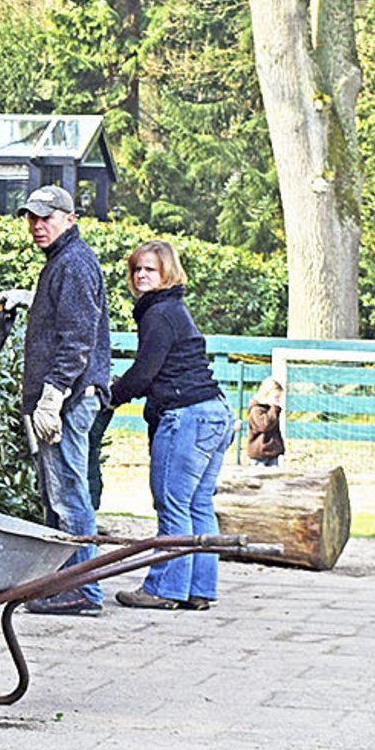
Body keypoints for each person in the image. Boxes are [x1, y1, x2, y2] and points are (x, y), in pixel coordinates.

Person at [0, 183, 110, 617]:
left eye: (47, 217)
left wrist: (53, 395)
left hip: (67, 398)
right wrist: (29, 300)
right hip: (64, 396)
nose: (37, 226)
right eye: (32, 217)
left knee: (68, 495)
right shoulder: (63, 263)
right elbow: (69, 316)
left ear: (70, 218)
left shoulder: (73, 263)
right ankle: (66, 585)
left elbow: (78, 337)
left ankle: (82, 590)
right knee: (59, 493)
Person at [108, 240, 233, 612]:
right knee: (198, 505)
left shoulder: (159, 312)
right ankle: (199, 588)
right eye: (137, 269)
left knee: (174, 503)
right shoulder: (173, 308)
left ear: (167, 273)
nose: (141, 275)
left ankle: (165, 588)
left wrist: (112, 396)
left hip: (187, 415)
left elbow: (146, 371)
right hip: (215, 411)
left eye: (150, 269)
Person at [245, 376, 286, 467]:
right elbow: (264, 425)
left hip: (271, 453)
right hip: (260, 454)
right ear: (266, 394)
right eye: (276, 397)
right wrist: (274, 409)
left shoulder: (270, 410)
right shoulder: (256, 410)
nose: (278, 400)